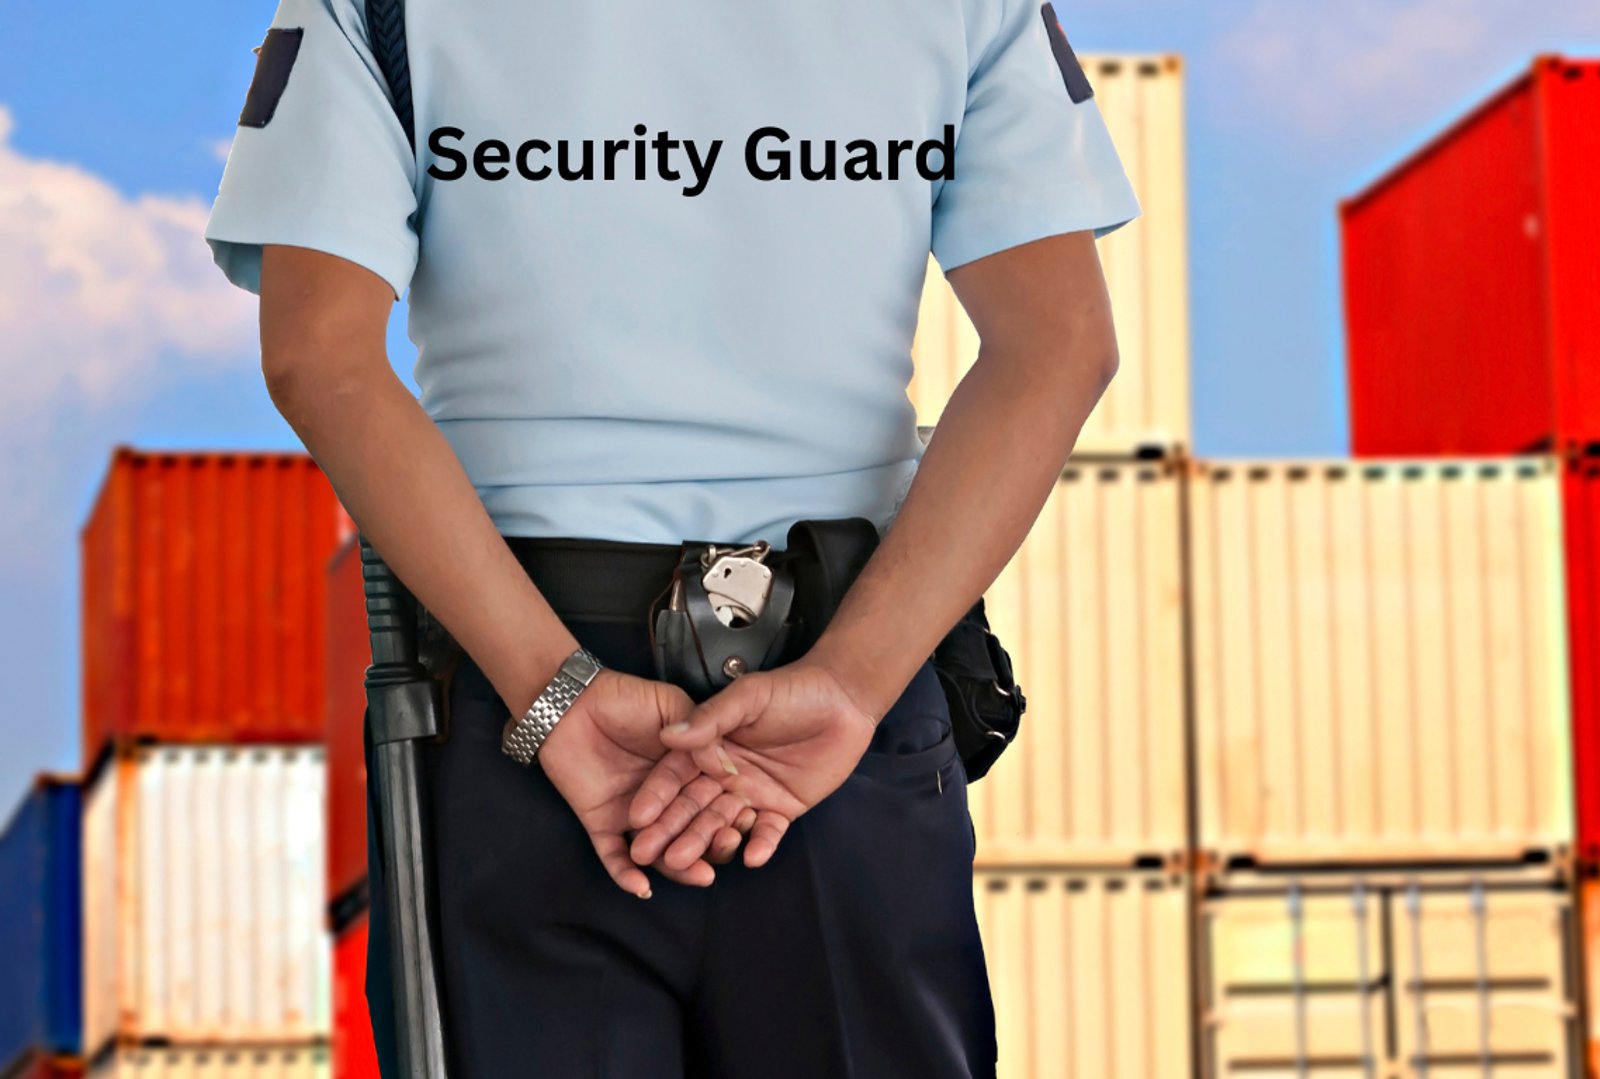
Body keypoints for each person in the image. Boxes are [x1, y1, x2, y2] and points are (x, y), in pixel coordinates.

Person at [205, 0, 1138, 1074]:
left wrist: (551, 691)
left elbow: (318, 358)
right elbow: (1060, 344)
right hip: (845, 696)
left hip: (517, 708)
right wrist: (852, 683)